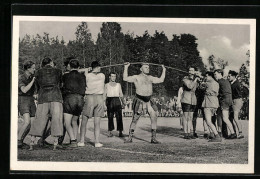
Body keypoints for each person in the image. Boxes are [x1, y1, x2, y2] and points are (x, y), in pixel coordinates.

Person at [123, 62, 166, 143]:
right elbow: (125, 78)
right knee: (135, 119)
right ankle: (130, 137)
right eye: (145, 67)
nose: (148, 68)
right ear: (141, 69)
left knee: (154, 117)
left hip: (149, 101)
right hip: (139, 100)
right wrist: (126, 67)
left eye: (148, 67)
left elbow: (161, 80)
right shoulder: (136, 77)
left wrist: (164, 70)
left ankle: (153, 138)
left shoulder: (150, 78)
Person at [29, 58, 64, 150]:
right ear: (51, 63)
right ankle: (55, 143)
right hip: (56, 96)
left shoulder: (38, 72)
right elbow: (61, 85)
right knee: (57, 119)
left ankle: (32, 142)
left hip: (43, 97)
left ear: (42, 64)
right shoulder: (58, 71)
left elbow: (36, 86)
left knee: (39, 119)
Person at [78, 61, 105, 148]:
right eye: (99, 67)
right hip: (99, 98)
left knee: (84, 120)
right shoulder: (102, 75)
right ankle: (97, 142)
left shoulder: (87, 75)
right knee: (97, 121)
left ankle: (82, 141)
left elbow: (77, 71)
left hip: (90, 98)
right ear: (97, 67)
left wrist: (86, 70)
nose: (100, 68)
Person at [62, 59, 86, 147]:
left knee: (67, 123)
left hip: (70, 98)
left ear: (69, 66)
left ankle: (73, 140)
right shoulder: (83, 76)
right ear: (78, 67)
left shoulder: (65, 76)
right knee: (75, 121)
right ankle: (75, 138)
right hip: (80, 99)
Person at [18, 60, 36, 148]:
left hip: (31, 99)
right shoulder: (21, 77)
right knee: (27, 122)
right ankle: (17, 140)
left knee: (32, 123)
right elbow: (24, 90)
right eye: (33, 68)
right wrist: (32, 81)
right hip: (23, 99)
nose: (34, 70)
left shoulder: (32, 77)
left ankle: (21, 141)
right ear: (28, 69)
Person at [214, 69, 236, 139]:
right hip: (229, 100)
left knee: (225, 118)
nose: (215, 76)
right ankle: (219, 132)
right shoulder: (226, 81)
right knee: (219, 116)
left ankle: (233, 133)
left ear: (220, 74)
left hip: (224, 100)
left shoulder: (219, 81)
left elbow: (217, 92)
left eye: (216, 74)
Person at [201, 71, 222, 142]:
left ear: (210, 76)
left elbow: (201, 86)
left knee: (208, 121)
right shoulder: (217, 83)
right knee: (211, 121)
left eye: (206, 76)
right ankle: (214, 134)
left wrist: (200, 78)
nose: (206, 78)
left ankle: (216, 135)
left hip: (208, 104)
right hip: (215, 104)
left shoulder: (207, 83)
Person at [104, 72, 124, 137]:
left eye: (114, 76)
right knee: (110, 116)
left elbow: (121, 94)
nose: (113, 78)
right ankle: (110, 131)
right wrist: (104, 104)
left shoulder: (118, 85)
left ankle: (120, 131)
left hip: (117, 100)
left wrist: (123, 102)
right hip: (109, 101)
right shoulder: (106, 85)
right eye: (112, 76)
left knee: (119, 116)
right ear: (109, 77)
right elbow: (104, 95)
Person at [181, 67, 199, 139]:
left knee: (190, 117)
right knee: (186, 117)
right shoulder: (185, 79)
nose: (190, 71)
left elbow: (199, 88)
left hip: (193, 100)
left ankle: (189, 132)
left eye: (192, 70)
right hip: (186, 99)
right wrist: (196, 79)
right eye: (189, 70)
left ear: (194, 72)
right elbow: (189, 86)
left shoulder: (195, 80)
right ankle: (185, 133)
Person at [228, 70, 244, 139]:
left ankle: (240, 133)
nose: (228, 77)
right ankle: (234, 132)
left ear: (233, 76)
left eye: (229, 76)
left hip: (236, 101)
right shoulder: (233, 83)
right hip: (235, 101)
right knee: (231, 118)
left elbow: (237, 94)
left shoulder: (236, 84)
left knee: (235, 117)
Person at [192, 68, 205, 138]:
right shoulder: (194, 81)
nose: (197, 75)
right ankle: (194, 131)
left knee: (205, 116)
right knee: (194, 116)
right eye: (196, 74)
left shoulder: (204, 80)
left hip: (202, 100)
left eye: (198, 73)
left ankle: (206, 131)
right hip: (195, 100)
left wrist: (202, 81)